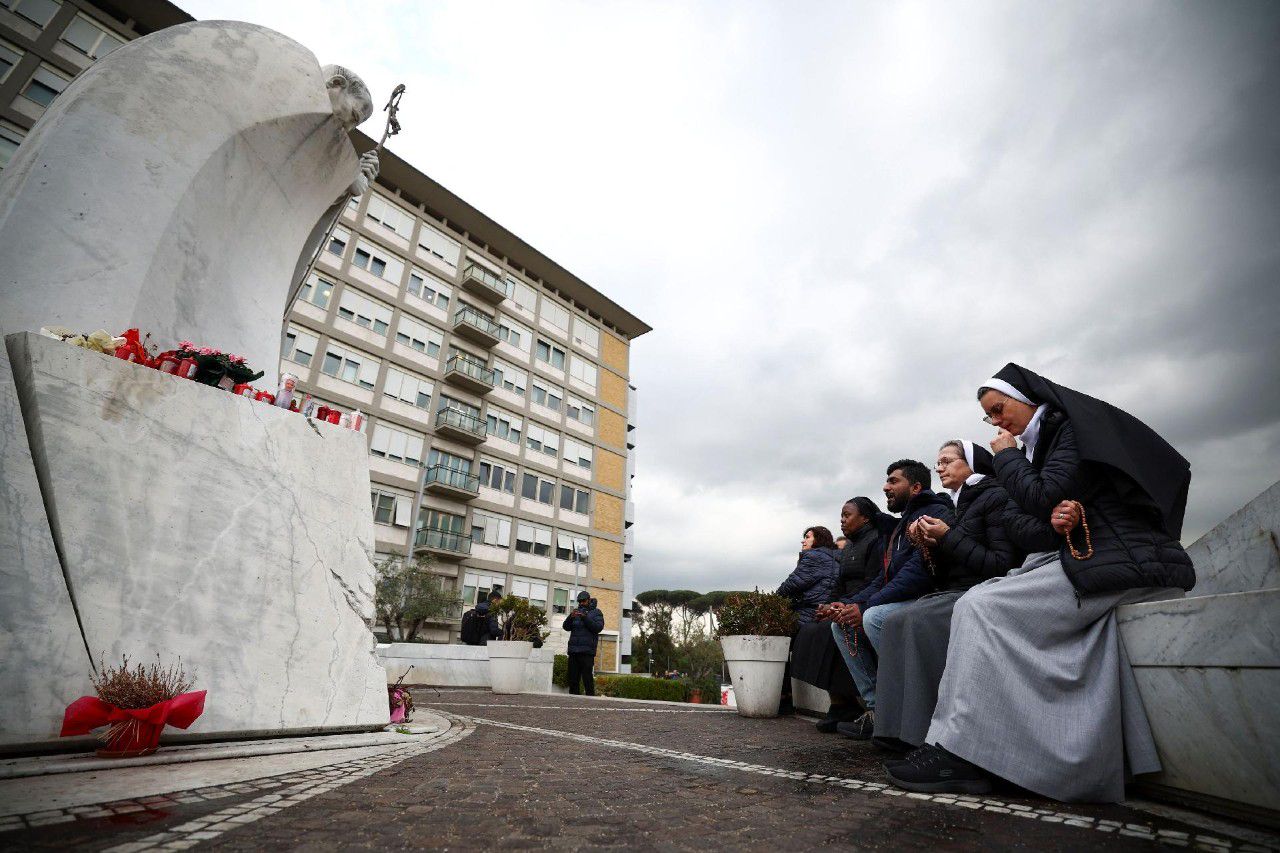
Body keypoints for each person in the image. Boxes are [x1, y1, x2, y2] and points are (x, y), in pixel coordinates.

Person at [887, 364, 1195, 801]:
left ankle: (963, 754)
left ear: (1031, 399)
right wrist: (1049, 515)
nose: (996, 422)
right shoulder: (1036, 452)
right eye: (989, 417)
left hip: (1121, 561)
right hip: (1093, 557)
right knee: (977, 601)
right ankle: (954, 744)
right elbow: (1033, 526)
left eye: (999, 409)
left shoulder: (1065, 431)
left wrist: (1007, 457)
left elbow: (1043, 497)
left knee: (978, 606)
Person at [871, 440, 1022, 753]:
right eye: (938, 462)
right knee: (894, 623)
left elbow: (1000, 563)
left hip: (981, 591)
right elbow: (944, 568)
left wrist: (947, 537)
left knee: (912, 621)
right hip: (954, 590)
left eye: (948, 461)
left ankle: (923, 733)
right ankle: (893, 727)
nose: (939, 467)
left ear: (972, 464)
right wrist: (926, 544)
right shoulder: (960, 505)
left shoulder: (993, 497)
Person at [832, 460, 955, 740]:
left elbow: (916, 575)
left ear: (915, 487)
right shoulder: (901, 527)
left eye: (893, 481)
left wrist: (863, 606)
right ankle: (878, 710)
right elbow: (884, 578)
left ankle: (904, 712)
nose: (886, 486)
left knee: (874, 618)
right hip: (905, 599)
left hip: (931, 598)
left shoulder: (934, 513)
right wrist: (850, 604)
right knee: (841, 625)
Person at [790, 498, 888, 732]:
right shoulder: (848, 548)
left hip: (864, 604)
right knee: (809, 631)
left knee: (828, 632)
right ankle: (840, 703)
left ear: (865, 518)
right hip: (845, 603)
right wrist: (829, 604)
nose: (842, 520)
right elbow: (839, 584)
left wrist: (845, 604)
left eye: (847, 515)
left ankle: (853, 704)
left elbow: (876, 582)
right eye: (841, 516)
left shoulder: (876, 541)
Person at [776, 526, 841, 624]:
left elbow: (793, 584)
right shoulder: (835, 558)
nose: (803, 541)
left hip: (809, 613)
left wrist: (774, 599)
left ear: (819, 539)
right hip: (826, 612)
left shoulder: (814, 556)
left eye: (807, 537)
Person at [563, 591, 605, 696]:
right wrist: (570, 617)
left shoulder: (597, 612)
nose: (581, 603)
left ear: (589, 600)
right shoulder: (576, 612)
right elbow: (566, 627)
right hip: (573, 651)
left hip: (587, 652)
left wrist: (585, 617)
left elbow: (598, 628)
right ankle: (573, 701)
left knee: (587, 679)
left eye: (583, 601)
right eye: (579, 601)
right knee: (573, 679)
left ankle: (590, 701)